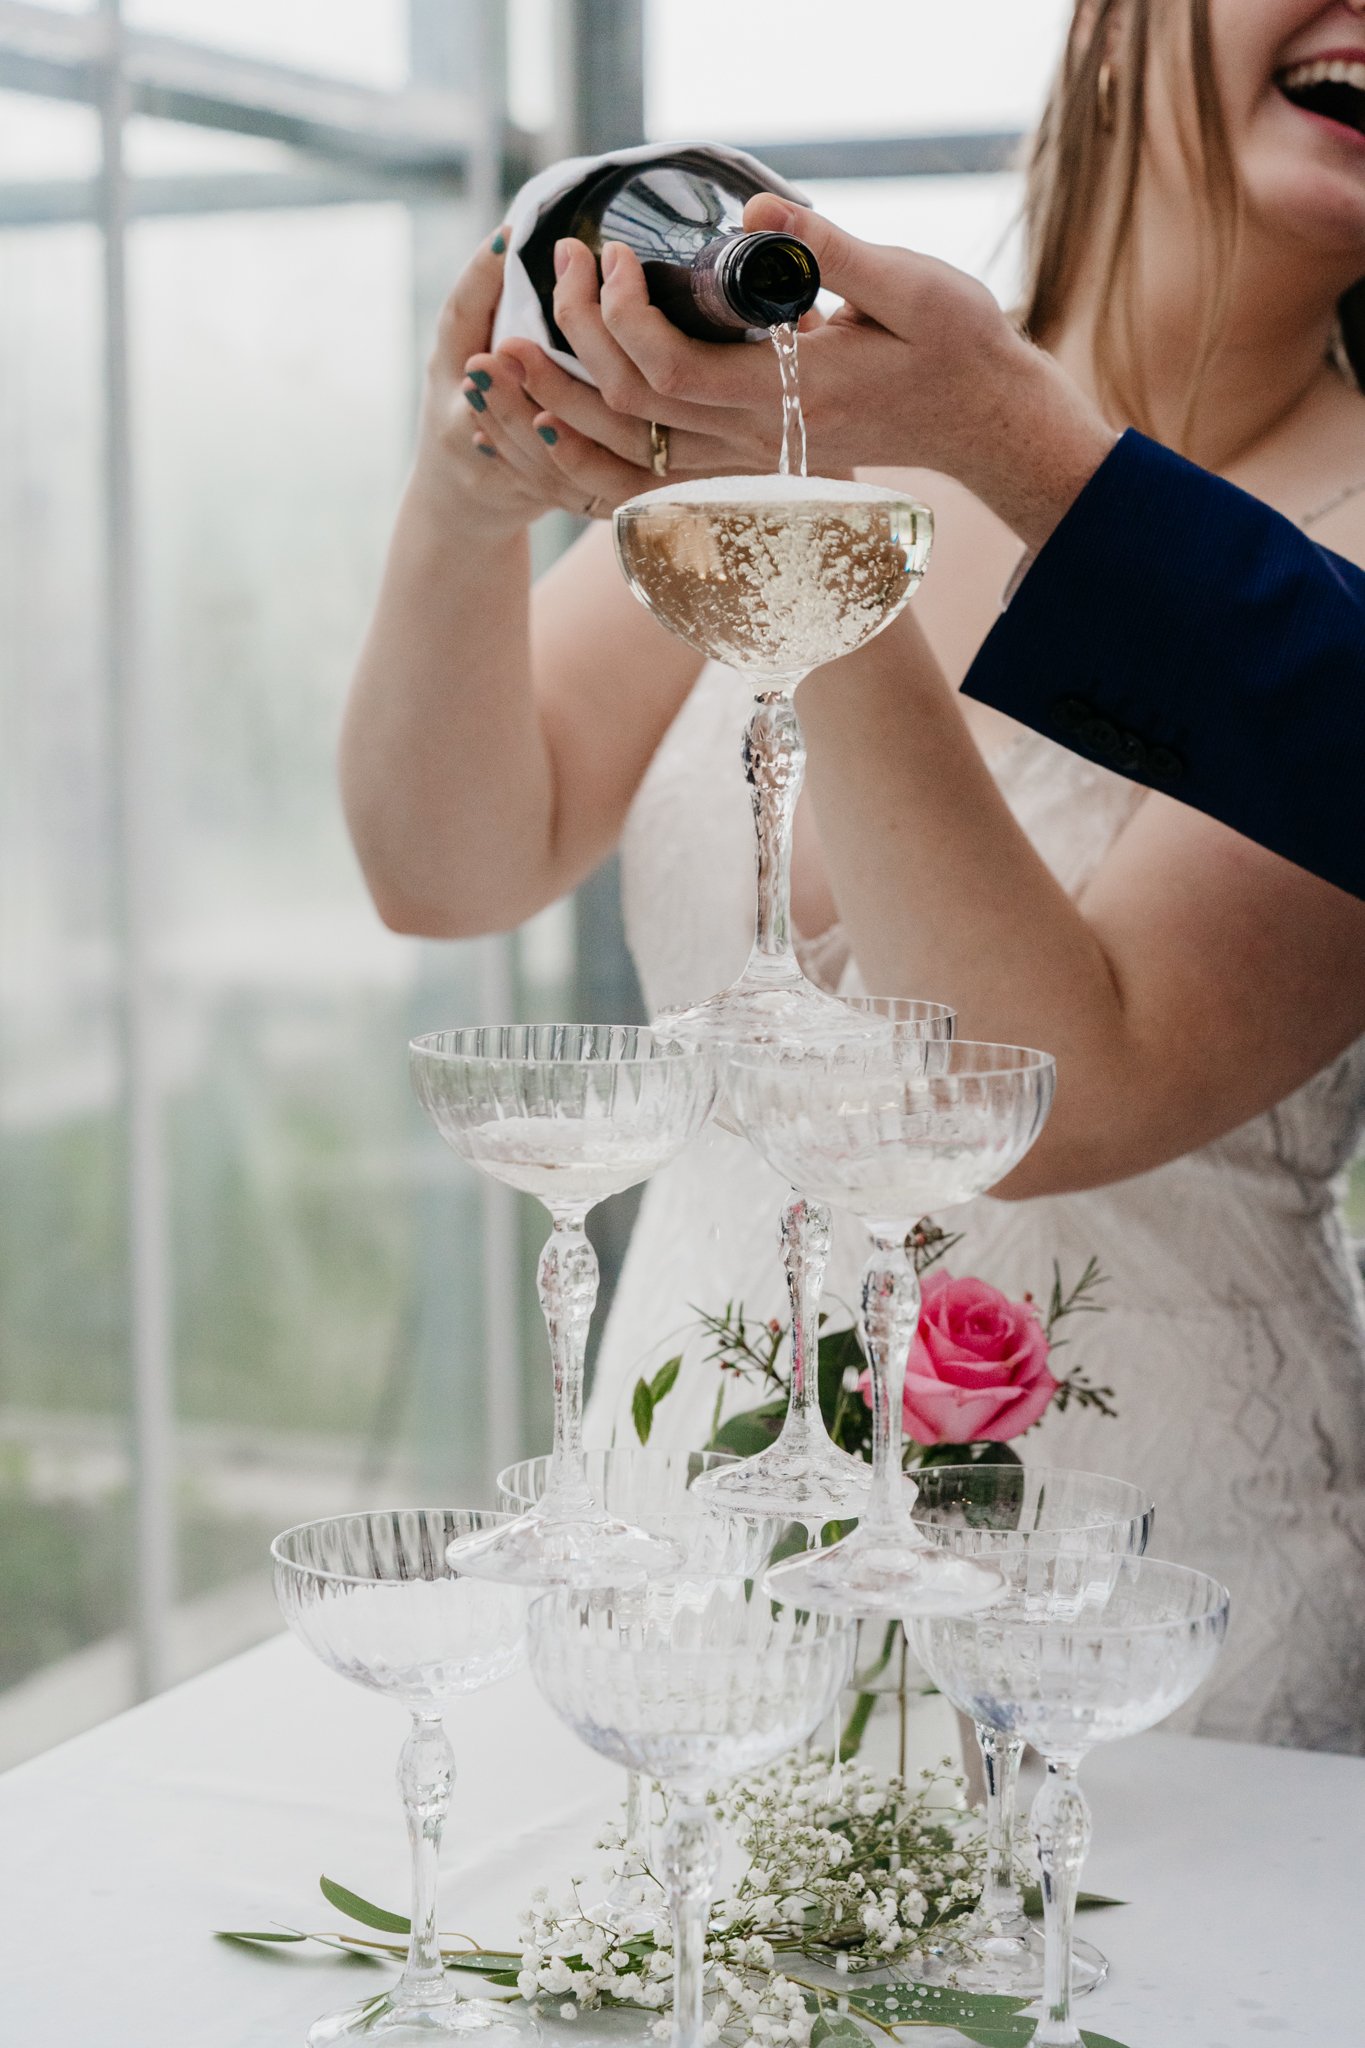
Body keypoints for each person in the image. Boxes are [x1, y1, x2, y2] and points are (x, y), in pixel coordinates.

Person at [343, 0, 1365, 1751]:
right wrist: (465, 501)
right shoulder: (835, 388)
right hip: (682, 1525)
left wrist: (801, 529)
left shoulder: (1316, 582)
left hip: (1123, 1592)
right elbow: (449, 869)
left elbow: (1049, 1096)